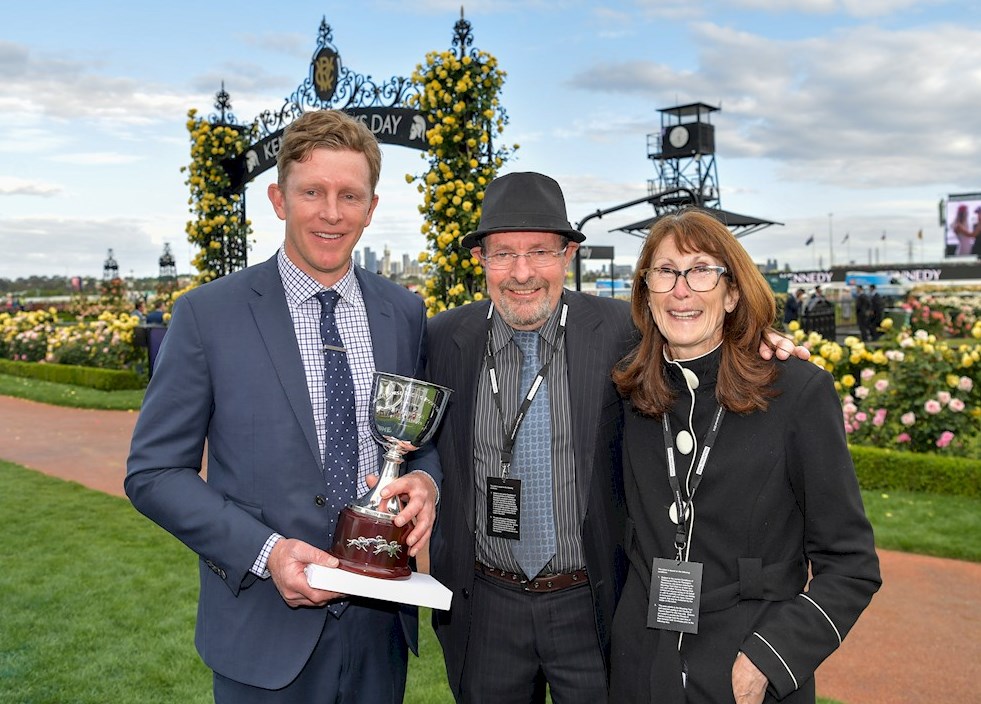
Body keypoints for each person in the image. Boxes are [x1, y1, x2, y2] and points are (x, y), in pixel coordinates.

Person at [426, 173, 808, 704]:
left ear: (568, 254)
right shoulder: (443, 338)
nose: (521, 273)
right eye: (502, 253)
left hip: (590, 603)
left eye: (540, 251)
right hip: (486, 605)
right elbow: (417, 438)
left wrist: (756, 340)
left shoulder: (622, 333)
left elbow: (694, 335)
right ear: (480, 260)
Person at [126, 110, 441, 703]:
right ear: (278, 198)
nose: (331, 212)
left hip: (380, 635)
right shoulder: (207, 315)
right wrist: (266, 554)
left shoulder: (403, 312)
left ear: (371, 208)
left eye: (350, 195)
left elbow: (418, 440)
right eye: (312, 192)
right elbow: (153, 473)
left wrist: (425, 479)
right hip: (262, 635)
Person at [609, 209, 880, 704]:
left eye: (702, 270)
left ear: (733, 292)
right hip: (641, 668)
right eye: (665, 272)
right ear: (646, 294)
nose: (681, 290)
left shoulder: (797, 392)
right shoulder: (628, 390)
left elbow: (852, 564)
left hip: (748, 674)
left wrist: (770, 659)